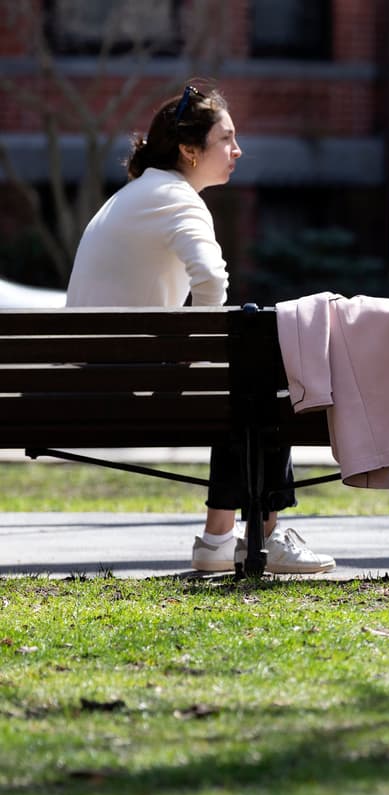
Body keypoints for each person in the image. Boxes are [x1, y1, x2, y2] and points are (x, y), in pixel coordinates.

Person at [66, 84, 334, 575]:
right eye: (226, 139)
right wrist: (204, 351)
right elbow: (211, 278)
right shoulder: (176, 199)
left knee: (251, 381)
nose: (238, 150)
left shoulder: (137, 193)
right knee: (268, 379)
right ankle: (266, 535)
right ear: (189, 150)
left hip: (94, 379)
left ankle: (218, 540)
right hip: (127, 385)